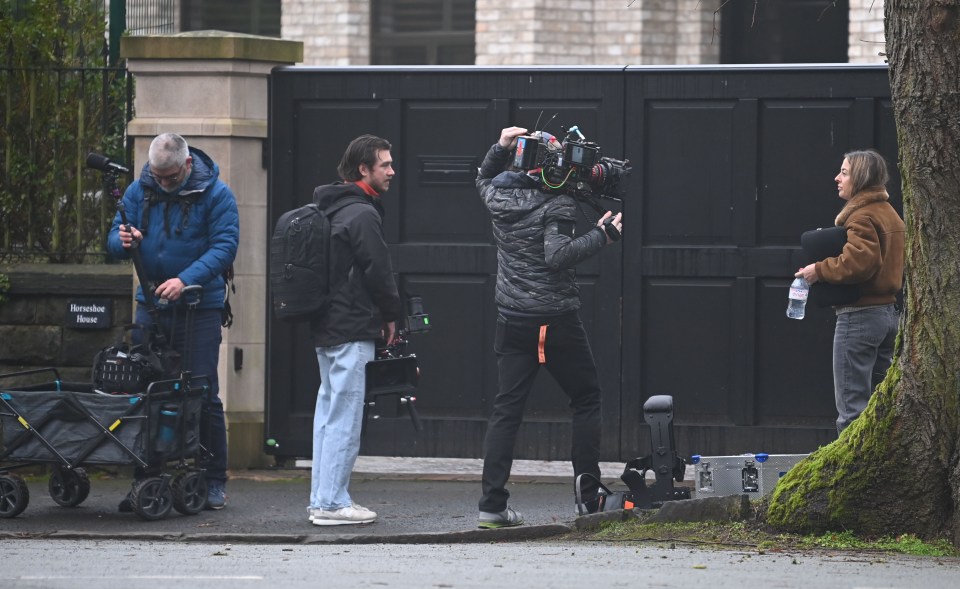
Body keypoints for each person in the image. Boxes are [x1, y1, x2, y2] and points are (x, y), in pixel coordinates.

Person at [475, 126, 623, 528]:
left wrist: (499, 146)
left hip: (512, 318)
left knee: (506, 410)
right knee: (587, 398)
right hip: (553, 320)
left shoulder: (497, 194)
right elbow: (557, 256)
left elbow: (483, 176)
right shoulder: (555, 205)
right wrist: (603, 235)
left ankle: (492, 505)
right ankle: (589, 501)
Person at [107, 132, 239, 510]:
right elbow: (112, 243)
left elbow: (225, 247)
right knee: (147, 391)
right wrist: (124, 241)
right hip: (150, 306)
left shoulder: (217, 195)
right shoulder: (140, 189)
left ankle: (213, 479)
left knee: (202, 393)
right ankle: (147, 478)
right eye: (156, 176)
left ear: (186, 165)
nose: (162, 184)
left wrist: (185, 280)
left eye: (169, 177)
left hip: (199, 308)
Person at [306, 135, 402, 526]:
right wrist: (392, 314)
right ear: (364, 169)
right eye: (385, 165)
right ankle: (331, 504)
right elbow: (378, 272)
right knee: (345, 415)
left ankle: (322, 498)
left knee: (327, 415)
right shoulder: (362, 214)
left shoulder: (329, 208)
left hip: (327, 325)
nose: (392, 171)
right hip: (353, 325)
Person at [795, 149, 905, 434]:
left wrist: (818, 270)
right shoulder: (888, 213)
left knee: (852, 410)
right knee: (882, 407)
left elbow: (860, 262)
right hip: (888, 316)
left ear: (861, 177)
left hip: (860, 317)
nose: (837, 178)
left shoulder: (862, 216)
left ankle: (853, 475)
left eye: (844, 172)